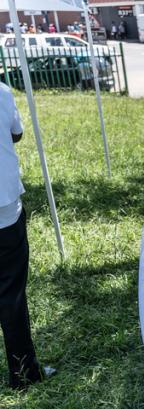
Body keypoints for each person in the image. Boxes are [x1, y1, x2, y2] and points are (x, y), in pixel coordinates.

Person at [0, 82, 54, 389]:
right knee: (11, 293)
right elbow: (16, 133)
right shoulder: (2, 92)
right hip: (3, 205)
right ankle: (24, 372)